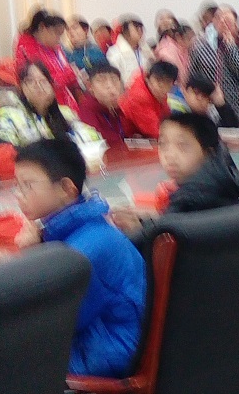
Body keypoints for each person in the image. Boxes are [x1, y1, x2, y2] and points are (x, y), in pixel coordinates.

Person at [12, 137, 146, 380]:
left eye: (28, 185)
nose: (19, 195)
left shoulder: (84, 252)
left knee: (5, 356)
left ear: (66, 188)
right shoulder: (83, 227)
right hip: (109, 338)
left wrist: (32, 256)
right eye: (17, 186)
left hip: (110, 351)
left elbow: (58, 321)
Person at [112, 111, 239, 231]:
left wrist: (138, 229)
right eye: (163, 144)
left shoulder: (191, 198)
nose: (169, 155)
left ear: (208, 153)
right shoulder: (223, 182)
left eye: (182, 146)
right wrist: (149, 219)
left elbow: (167, 237)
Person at [0, 62, 100, 152]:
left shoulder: (66, 113)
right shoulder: (9, 117)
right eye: (30, 81)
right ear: (21, 88)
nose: (38, 86)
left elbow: (94, 137)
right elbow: (6, 152)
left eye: (43, 81)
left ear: (52, 87)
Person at [188, 7, 239, 128]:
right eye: (219, 19)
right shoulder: (200, 46)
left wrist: (231, 48)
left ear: (236, 25)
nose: (223, 24)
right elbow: (193, 75)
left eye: (227, 21)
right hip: (211, 107)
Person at [14, 9, 81, 102]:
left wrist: (74, 75)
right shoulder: (26, 48)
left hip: (63, 97)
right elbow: (45, 82)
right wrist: (70, 74)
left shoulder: (54, 47)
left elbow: (64, 68)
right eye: (56, 33)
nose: (59, 39)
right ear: (43, 28)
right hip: (43, 100)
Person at [120, 58, 182, 139]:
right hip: (124, 138)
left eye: (167, 82)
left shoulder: (159, 92)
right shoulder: (139, 96)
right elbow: (154, 132)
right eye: (158, 81)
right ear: (148, 78)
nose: (162, 86)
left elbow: (166, 117)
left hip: (145, 135)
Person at [76, 63, 130, 147]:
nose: (110, 86)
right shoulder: (87, 109)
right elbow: (98, 143)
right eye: (102, 81)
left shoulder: (120, 105)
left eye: (114, 80)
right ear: (90, 86)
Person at [107, 14, 152, 82]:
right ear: (125, 31)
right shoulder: (114, 52)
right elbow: (116, 79)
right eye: (136, 27)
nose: (140, 31)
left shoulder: (145, 50)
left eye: (141, 28)